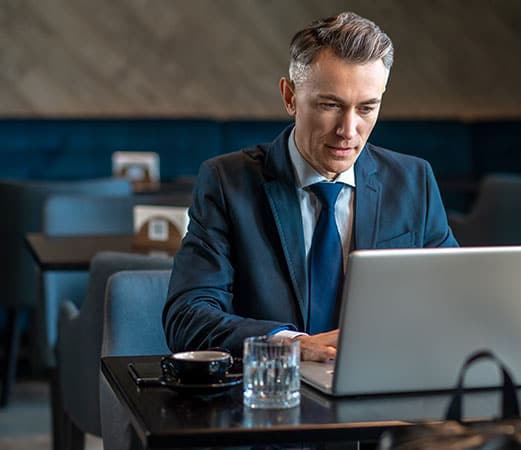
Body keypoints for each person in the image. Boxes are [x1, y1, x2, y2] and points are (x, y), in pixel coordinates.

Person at [163, 11, 457, 362]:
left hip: (382, 387)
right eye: (330, 105)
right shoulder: (227, 183)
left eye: (366, 108)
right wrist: (291, 345)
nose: (348, 130)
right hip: (269, 393)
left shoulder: (413, 181)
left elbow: (452, 299)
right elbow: (187, 316)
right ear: (290, 97)